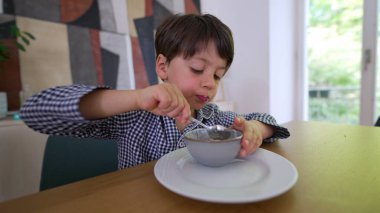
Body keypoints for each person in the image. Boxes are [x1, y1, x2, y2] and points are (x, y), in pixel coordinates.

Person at [20, 13, 290, 169]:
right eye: (198, 69)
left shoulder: (212, 119)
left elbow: (268, 122)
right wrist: (135, 98)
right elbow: (35, 111)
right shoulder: (134, 117)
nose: (210, 82)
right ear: (163, 66)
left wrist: (255, 128)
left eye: (218, 75)